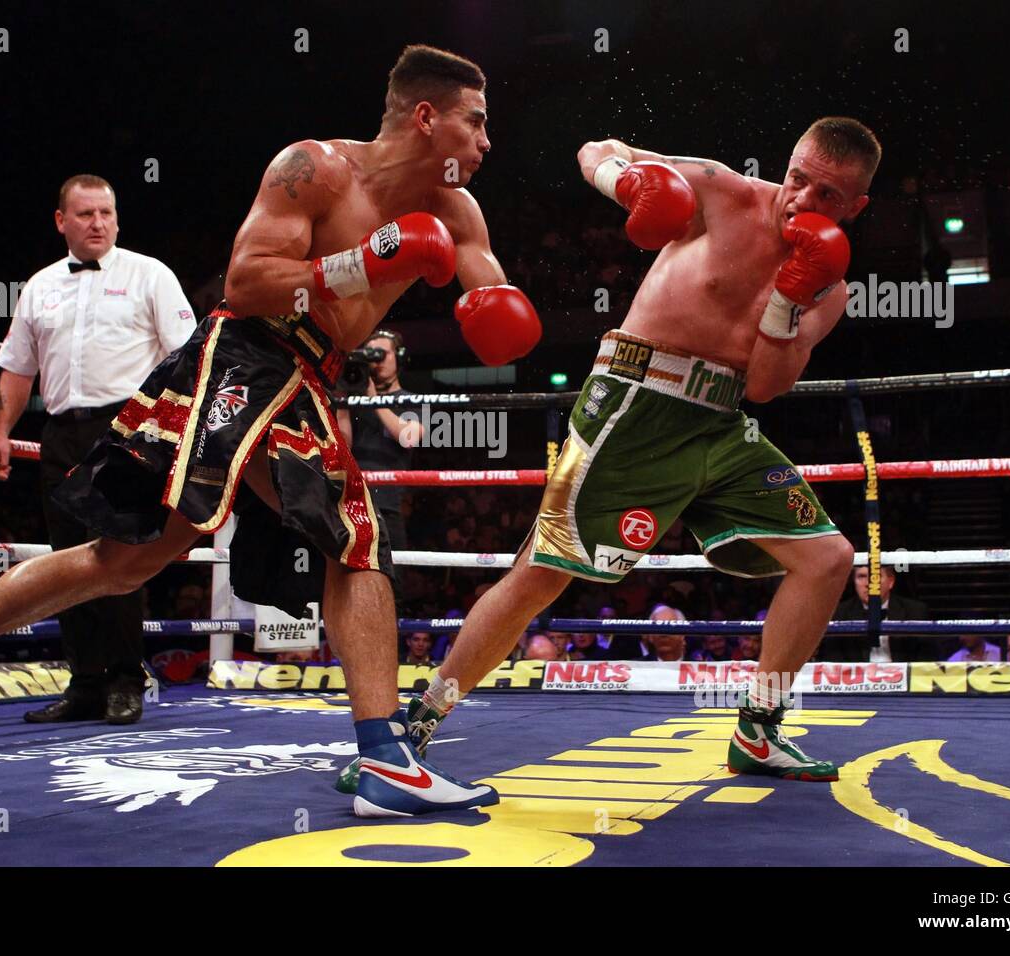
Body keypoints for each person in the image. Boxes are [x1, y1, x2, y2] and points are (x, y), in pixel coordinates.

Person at [0, 44, 540, 819]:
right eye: (475, 123)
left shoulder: (459, 212)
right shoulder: (312, 167)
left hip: (313, 373)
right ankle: (385, 760)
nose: (487, 144)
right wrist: (365, 259)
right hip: (248, 354)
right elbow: (247, 284)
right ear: (426, 117)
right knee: (355, 534)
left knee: (124, 563)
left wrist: (500, 313)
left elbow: (502, 317)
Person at [341, 116, 878, 791]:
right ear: (788, 162)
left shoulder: (831, 286)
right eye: (799, 178)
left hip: (720, 419)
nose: (802, 201)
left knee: (827, 558)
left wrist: (788, 299)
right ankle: (412, 728)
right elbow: (595, 147)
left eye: (827, 196)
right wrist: (627, 181)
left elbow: (768, 385)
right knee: (542, 573)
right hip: (637, 400)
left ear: (855, 207)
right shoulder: (721, 190)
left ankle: (758, 727)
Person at [0, 174, 197, 725]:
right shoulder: (39, 286)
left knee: (116, 557)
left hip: (128, 428)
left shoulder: (150, 274)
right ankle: (84, 683)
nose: (98, 223)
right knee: (63, 563)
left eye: (106, 212)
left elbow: (190, 360)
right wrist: (1, 431)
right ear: (62, 221)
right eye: (85, 214)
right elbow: (16, 368)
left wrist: (171, 435)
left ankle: (127, 679)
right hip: (59, 433)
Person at [336, 330, 421, 553]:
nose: (376, 362)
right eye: (371, 356)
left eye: (381, 354)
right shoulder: (355, 401)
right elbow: (342, 446)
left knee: (393, 582)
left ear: (399, 357)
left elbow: (409, 437)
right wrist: (342, 403)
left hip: (387, 505)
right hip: (350, 501)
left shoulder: (412, 400)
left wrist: (374, 400)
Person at [827, 564, 932, 662]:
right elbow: (831, 660)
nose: (868, 584)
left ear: (891, 581)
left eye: (875, 576)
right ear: (853, 581)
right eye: (861, 577)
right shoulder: (839, 613)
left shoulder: (915, 611)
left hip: (901, 678)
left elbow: (926, 659)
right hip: (856, 679)